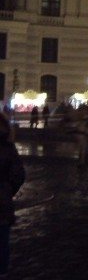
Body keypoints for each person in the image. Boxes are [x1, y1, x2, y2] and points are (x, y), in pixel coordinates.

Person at [0, 113, 25, 278]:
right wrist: (7, 191)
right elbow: (19, 175)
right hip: (1, 203)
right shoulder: (8, 148)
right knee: (1, 243)